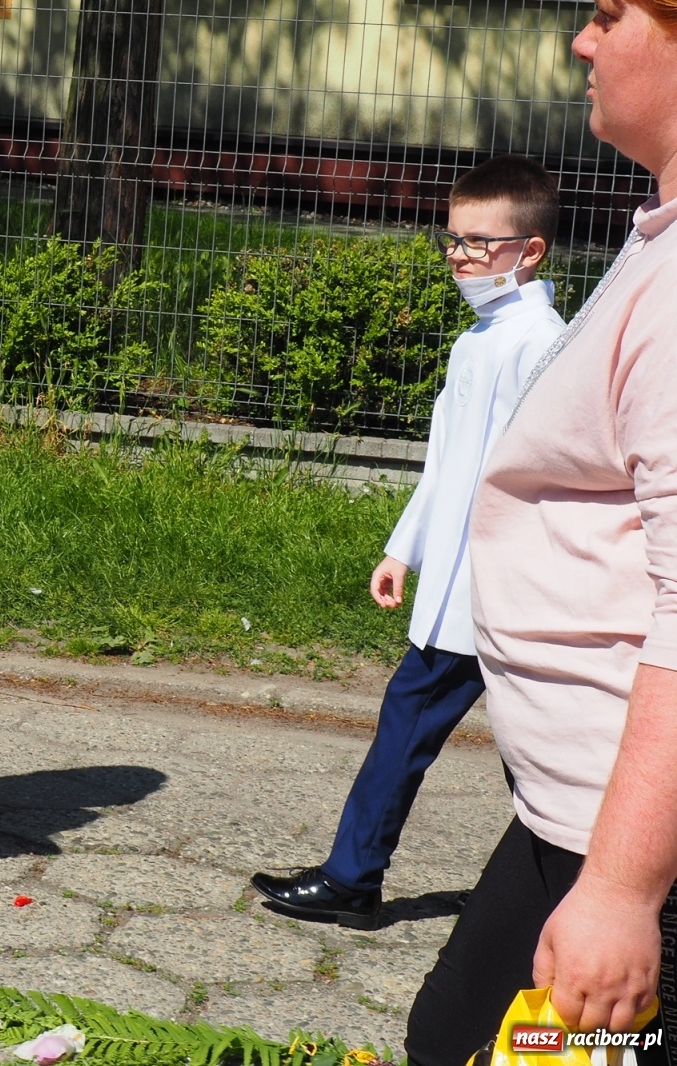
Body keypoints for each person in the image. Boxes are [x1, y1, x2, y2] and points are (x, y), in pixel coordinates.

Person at [403, 0, 677, 1058]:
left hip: (631, 836)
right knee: (447, 1032)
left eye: (610, 14)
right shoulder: (656, 235)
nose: (581, 41)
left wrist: (620, 886)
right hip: (579, 802)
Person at [250, 156, 566, 931]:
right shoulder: (479, 341)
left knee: (519, 750)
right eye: (451, 240)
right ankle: (543, 896)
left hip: (495, 592)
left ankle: (358, 880)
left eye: (478, 243)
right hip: (460, 585)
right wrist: (404, 550)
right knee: (524, 749)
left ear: (530, 251)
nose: (459, 257)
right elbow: (446, 467)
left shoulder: (541, 343)